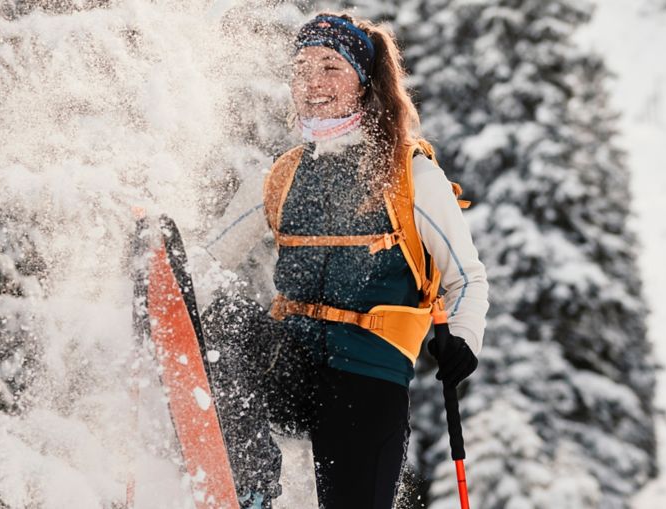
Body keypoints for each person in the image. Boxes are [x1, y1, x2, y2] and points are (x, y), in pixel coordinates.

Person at [193, 11, 489, 509]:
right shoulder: (280, 175)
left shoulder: (410, 174)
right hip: (291, 362)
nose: (313, 81)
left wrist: (463, 338)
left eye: (331, 66)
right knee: (222, 322)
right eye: (302, 67)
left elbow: (467, 277)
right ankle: (252, 486)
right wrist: (165, 280)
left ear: (365, 81)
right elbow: (209, 260)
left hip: (369, 373)